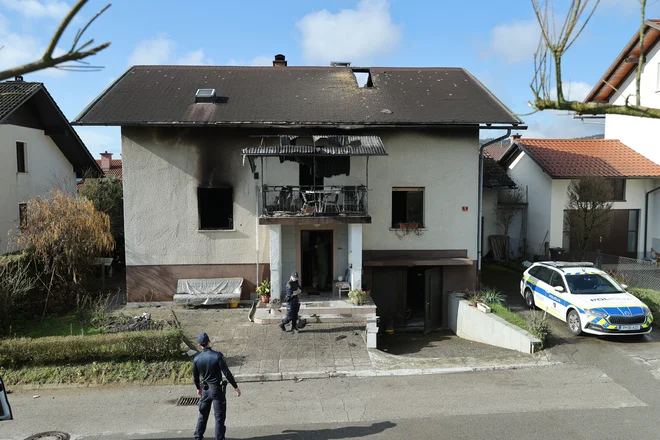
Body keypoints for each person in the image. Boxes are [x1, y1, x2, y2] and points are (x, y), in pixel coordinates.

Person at [193, 332, 241, 440]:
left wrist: (198, 388)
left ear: (199, 345)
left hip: (205, 390)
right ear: (209, 342)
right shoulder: (218, 355)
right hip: (217, 391)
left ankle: (198, 436)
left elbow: (195, 378)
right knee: (219, 417)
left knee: (203, 415)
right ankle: (219, 438)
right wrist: (235, 387)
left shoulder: (197, 359)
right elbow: (227, 373)